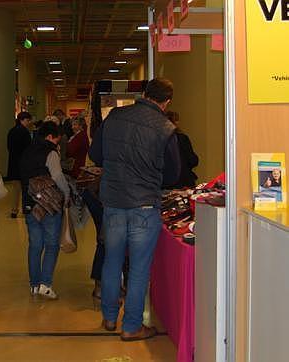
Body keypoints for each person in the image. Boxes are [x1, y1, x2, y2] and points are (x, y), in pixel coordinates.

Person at [89, 77, 181, 341]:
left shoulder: (115, 116)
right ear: (166, 102)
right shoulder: (166, 128)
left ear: (144, 93)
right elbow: (173, 174)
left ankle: (108, 317)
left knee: (112, 260)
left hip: (113, 202)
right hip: (144, 204)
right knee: (139, 268)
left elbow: (96, 153)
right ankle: (131, 326)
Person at [19, 121, 71, 300]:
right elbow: (57, 177)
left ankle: (34, 285)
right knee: (51, 245)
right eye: (57, 139)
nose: (57, 143)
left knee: (35, 245)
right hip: (48, 205)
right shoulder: (51, 152)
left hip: (30, 204)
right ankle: (45, 284)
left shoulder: (26, 150)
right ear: (50, 136)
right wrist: (67, 194)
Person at [6, 112, 33, 218]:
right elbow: (28, 149)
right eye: (28, 120)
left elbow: (9, 147)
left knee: (15, 189)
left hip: (13, 163)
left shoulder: (11, 131)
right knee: (25, 188)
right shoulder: (25, 132)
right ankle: (26, 209)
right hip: (23, 165)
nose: (29, 123)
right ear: (22, 120)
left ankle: (14, 210)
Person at [166, 111, 199, 189]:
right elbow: (193, 160)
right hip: (184, 181)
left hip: (166, 183)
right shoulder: (182, 138)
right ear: (176, 122)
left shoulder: (160, 138)